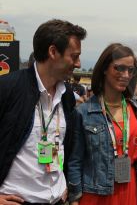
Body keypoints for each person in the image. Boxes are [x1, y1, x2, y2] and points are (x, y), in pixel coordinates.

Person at [0, 19, 87, 204]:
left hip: (58, 199)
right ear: (53, 52)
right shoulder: (8, 88)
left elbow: (65, 148)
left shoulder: (67, 97)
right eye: (74, 56)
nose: (78, 63)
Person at [68, 43, 137, 205]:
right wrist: (75, 198)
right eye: (119, 68)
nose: (125, 74)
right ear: (104, 69)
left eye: (130, 70)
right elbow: (75, 160)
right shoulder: (83, 112)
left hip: (129, 188)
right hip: (96, 193)